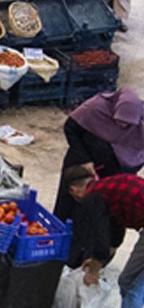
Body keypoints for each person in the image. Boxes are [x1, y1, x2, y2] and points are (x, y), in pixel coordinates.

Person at [65, 168, 144, 308]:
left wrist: (95, 268)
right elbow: (115, 228)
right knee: (127, 281)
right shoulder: (107, 187)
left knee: (134, 287)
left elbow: (100, 237)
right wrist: (106, 252)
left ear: (74, 189)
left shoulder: (92, 198)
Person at [54, 89, 144, 249]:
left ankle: (93, 253)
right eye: (119, 121)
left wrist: (122, 172)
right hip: (81, 166)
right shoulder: (95, 108)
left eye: (127, 124)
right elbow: (71, 129)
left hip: (114, 174)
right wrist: (85, 160)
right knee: (70, 206)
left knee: (105, 215)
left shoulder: (140, 124)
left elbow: (139, 156)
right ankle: (59, 244)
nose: (122, 127)